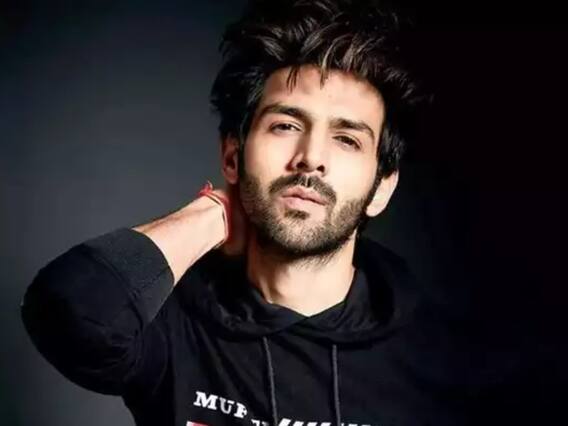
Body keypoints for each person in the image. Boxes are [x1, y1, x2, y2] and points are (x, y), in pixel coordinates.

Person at [20, 1, 488, 425]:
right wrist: (215, 212)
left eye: (346, 139)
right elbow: (69, 310)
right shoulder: (174, 323)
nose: (311, 158)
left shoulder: (445, 359)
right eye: (285, 125)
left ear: (381, 188)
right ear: (232, 156)